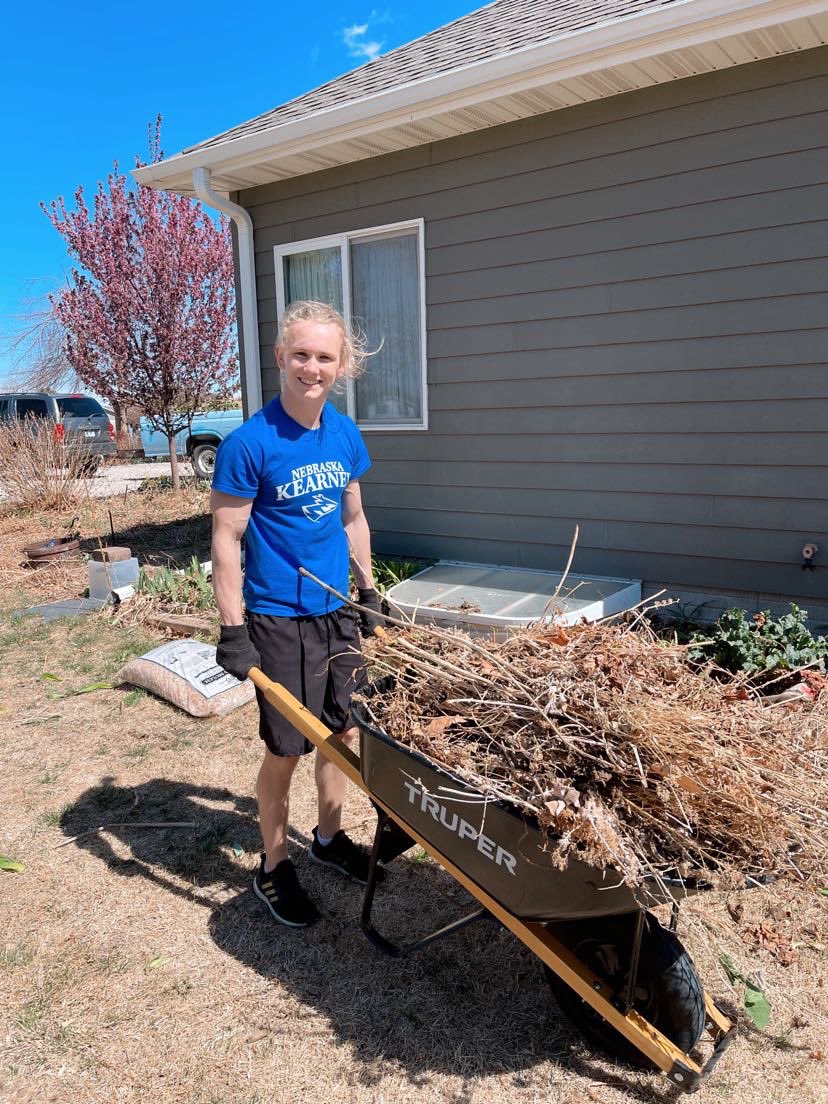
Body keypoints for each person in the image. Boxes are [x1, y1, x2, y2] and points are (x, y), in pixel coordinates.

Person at [210, 300, 384, 928]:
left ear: (342, 366)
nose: (313, 367)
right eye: (301, 354)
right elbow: (226, 540)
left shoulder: (343, 434)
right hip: (279, 617)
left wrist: (366, 590)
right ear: (280, 358)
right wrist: (234, 629)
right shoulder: (248, 443)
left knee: (342, 733)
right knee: (287, 748)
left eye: (325, 357)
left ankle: (330, 840)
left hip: (334, 611)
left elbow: (353, 518)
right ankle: (273, 865)